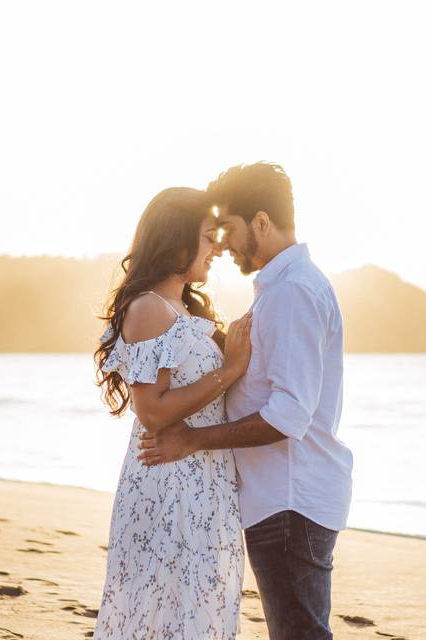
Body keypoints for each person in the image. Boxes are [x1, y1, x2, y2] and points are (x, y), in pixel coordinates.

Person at [138, 163, 354, 640]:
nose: (223, 244)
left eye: (230, 230)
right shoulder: (282, 288)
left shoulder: (293, 291)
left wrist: (192, 440)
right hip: (281, 499)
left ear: (260, 222)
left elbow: (288, 415)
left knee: (299, 634)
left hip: (289, 500)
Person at [92, 186, 254, 639]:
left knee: (197, 611)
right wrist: (233, 368)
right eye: (207, 236)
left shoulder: (183, 309)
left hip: (203, 481)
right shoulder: (149, 308)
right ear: (177, 240)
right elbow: (151, 412)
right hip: (169, 486)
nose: (217, 248)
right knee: (163, 615)